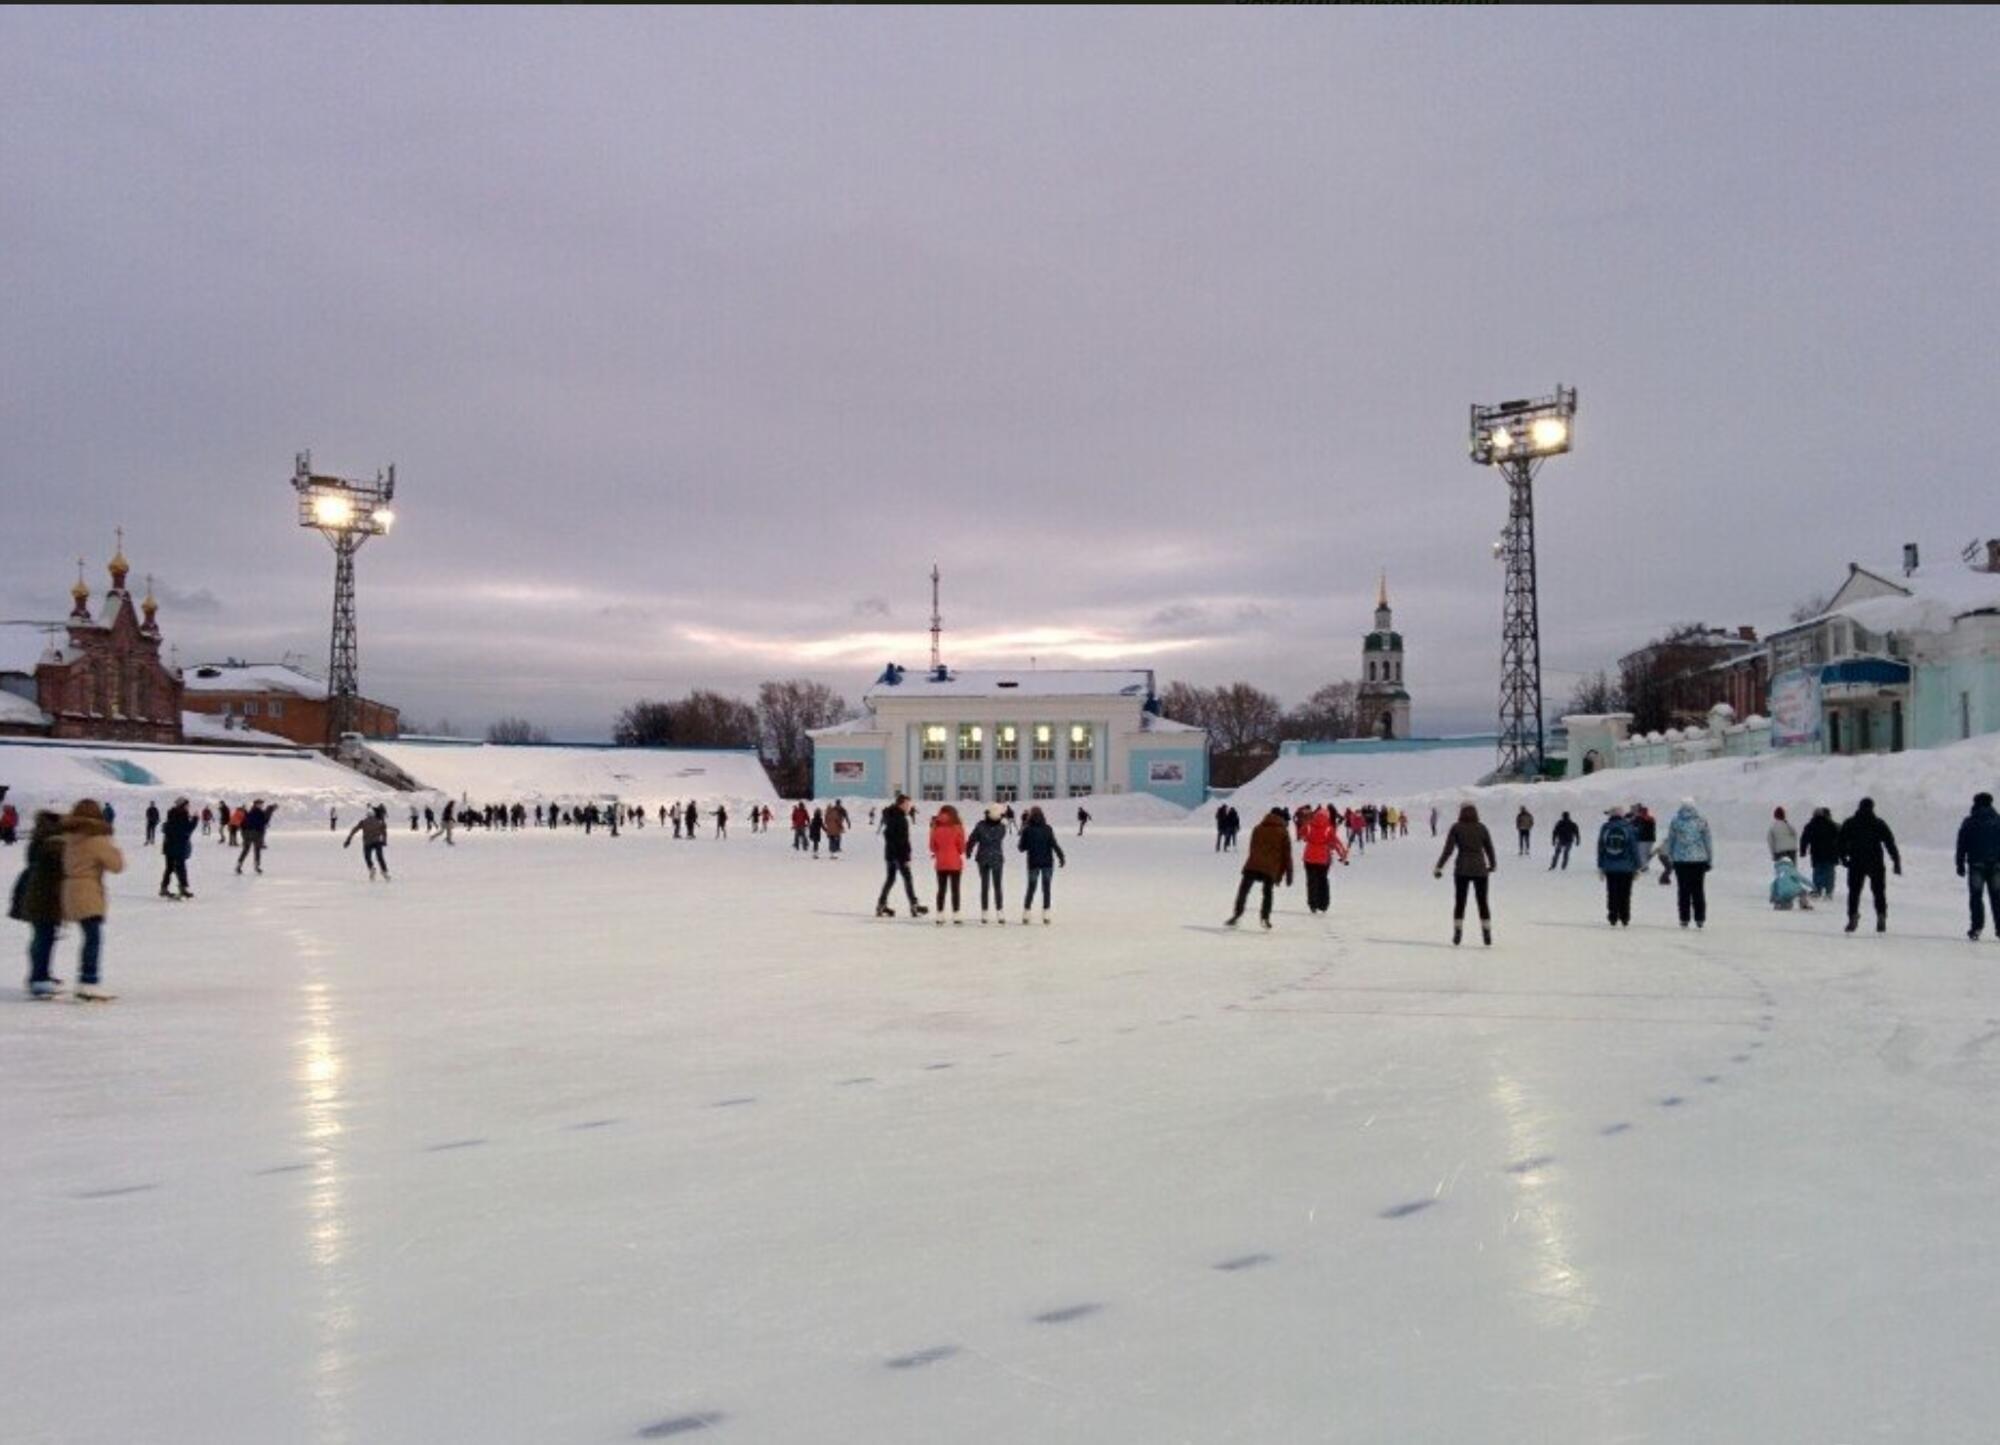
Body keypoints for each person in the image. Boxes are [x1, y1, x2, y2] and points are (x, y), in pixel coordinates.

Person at [59, 799, 123, 999]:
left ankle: (86, 980)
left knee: (90, 936)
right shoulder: (96, 839)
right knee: (93, 937)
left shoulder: (69, 837)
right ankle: (88, 981)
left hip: (70, 889)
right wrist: (112, 847)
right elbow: (117, 865)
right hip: (88, 890)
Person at [17, 810, 67, 996]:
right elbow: (58, 869)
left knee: (43, 936)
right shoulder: (52, 842)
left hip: (36, 894)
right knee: (44, 937)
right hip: (44, 897)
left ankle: (41, 974)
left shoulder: (39, 838)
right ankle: (38, 978)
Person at [1434, 802, 1497, 946]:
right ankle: (1486, 932)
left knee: (1460, 901)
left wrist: (1439, 867)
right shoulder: (1482, 828)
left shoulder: (1456, 827)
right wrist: (1492, 864)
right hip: (1480, 869)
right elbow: (1489, 848)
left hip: (1462, 869)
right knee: (1482, 902)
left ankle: (1458, 931)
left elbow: (1448, 850)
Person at [1837, 797, 1901, 934]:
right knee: (1879, 892)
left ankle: (1852, 916)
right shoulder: (1878, 823)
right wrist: (1896, 861)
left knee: (1854, 892)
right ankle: (1881, 915)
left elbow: (1840, 842)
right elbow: (1890, 843)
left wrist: (1843, 858)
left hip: (1856, 862)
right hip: (1875, 862)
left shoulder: (1850, 823)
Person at [1227, 807, 1294, 929]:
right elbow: (1287, 856)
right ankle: (1265, 917)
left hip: (1253, 864)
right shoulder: (1283, 832)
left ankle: (1237, 914)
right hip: (1270, 867)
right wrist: (1288, 874)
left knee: (1243, 890)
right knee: (1267, 893)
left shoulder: (1258, 828)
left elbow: (1252, 847)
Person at [1663, 798, 1714, 929]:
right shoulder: (1702, 821)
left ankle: (1684, 918)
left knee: (1683, 890)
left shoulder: (1675, 821)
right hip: (1699, 860)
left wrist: (1670, 857)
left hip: (1681, 860)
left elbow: (1671, 840)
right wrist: (1709, 859)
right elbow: (1707, 840)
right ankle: (1700, 918)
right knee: (1698, 890)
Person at [875, 794, 927, 918]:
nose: (909, 807)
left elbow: (888, 835)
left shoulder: (890, 815)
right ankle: (914, 905)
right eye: (908, 804)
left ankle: (881, 905)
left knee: (890, 879)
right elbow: (903, 840)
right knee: (907, 879)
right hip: (899, 855)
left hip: (890, 854)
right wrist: (906, 857)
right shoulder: (901, 819)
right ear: (902, 804)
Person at [1957, 792, 2000, 941]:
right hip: (1996, 865)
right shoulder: (1998, 821)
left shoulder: (1970, 821)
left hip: (1976, 864)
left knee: (1976, 897)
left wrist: (1960, 863)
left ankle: (1977, 927)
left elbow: (1962, 843)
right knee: (1997, 897)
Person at [1017, 806, 1066, 924]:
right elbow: (1054, 844)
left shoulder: (1027, 829)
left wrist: (1025, 838)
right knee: (1046, 888)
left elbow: (1021, 848)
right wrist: (1061, 857)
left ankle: (1026, 914)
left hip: (1033, 863)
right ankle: (1046, 915)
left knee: (1031, 888)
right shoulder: (1048, 829)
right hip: (1047, 863)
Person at [1299, 804, 1350, 916]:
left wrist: (1307, 838)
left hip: (1309, 857)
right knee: (1323, 880)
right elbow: (1337, 843)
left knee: (1311, 881)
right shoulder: (1328, 828)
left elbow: (1301, 834)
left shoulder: (1309, 826)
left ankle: (1313, 905)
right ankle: (1323, 904)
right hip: (1323, 858)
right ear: (1327, 817)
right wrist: (1343, 856)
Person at [1596, 806, 1641, 927]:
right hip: (1627, 867)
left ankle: (1613, 916)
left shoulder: (1605, 828)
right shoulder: (1629, 828)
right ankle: (1625, 917)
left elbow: (1601, 848)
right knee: (1625, 893)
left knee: (1612, 892)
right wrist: (1638, 865)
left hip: (1610, 866)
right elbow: (1634, 848)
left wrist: (1600, 865)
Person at [968, 804, 1009, 923]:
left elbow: (972, 838)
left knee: (985, 886)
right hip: (995, 858)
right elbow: (1000, 836)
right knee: (997, 886)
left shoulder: (980, 825)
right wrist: (1003, 819)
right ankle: (999, 912)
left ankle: (985, 912)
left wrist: (969, 850)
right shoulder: (1001, 827)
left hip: (983, 858)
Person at [929, 804, 966, 924]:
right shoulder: (957, 827)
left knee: (941, 889)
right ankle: (956, 915)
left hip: (940, 863)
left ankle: (940, 915)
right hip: (955, 862)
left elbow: (932, 847)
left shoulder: (935, 826)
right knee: (955, 889)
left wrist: (939, 851)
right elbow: (962, 848)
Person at [158, 797, 196, 899]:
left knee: (170, 868)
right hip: (177, 846)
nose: (188, 807)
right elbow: (187, 830)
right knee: (180, 867)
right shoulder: (181, 815)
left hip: (170, 846)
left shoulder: (173, 815)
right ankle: (182, 888)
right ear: (182, 806)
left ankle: (164, 888)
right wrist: (195, 820)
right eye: (187, 805)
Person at [1800, 806, 1839, 898]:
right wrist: (1840, 852)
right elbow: (1838, 839)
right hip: (1830, 853)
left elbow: (1804, 839)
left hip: (1816, 853)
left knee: (1818, 871)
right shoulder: (1831, 825)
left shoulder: (1810, 825)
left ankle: (1817, 890)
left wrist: (1803, 851)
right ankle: (1829, 892)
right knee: (1829, 872)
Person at [344, 805, 392, 881]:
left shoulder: (363, 822)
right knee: (380, 857)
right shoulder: (379, 821)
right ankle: (384, 871)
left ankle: (371, 868)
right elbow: (384, 832)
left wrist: (348, 839)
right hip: (377, 842)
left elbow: (354, 830)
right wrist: (384, 840)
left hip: (367, 843)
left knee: (367, 857)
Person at [236, 798, 276, 874]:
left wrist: (270, 811)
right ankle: (242, 865)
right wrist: (270, 811)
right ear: (255, 804)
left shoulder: (253, 812)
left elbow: (263, 821)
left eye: (261, 804)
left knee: (253, 850)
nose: (261, 805)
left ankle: (252, 866)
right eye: (259, 804)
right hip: (253, 834)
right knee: (251, 850)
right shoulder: (256, 812)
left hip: (252, 834)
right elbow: (264, 821)